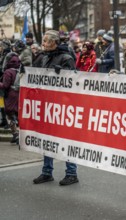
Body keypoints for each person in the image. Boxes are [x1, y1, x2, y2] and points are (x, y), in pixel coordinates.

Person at [33, 30, 79, 186]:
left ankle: (71, 173)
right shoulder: (44, 57)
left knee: (66, 139)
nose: (44, 43)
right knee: (47, 139)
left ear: (55, 43)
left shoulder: (66, 58)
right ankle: (47, 172)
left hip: (63, 106)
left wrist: (63, 73)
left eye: (46, 41)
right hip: (48, 105)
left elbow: (75, 80)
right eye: (43, 40)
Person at [0, 52, 20, 144]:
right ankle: (16, 134)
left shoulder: (8, 72)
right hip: (18, 93)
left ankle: (16, 134)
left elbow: (5, 85)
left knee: (9, 114)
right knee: (16, 113)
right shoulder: (19, 70)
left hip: (10, 95)